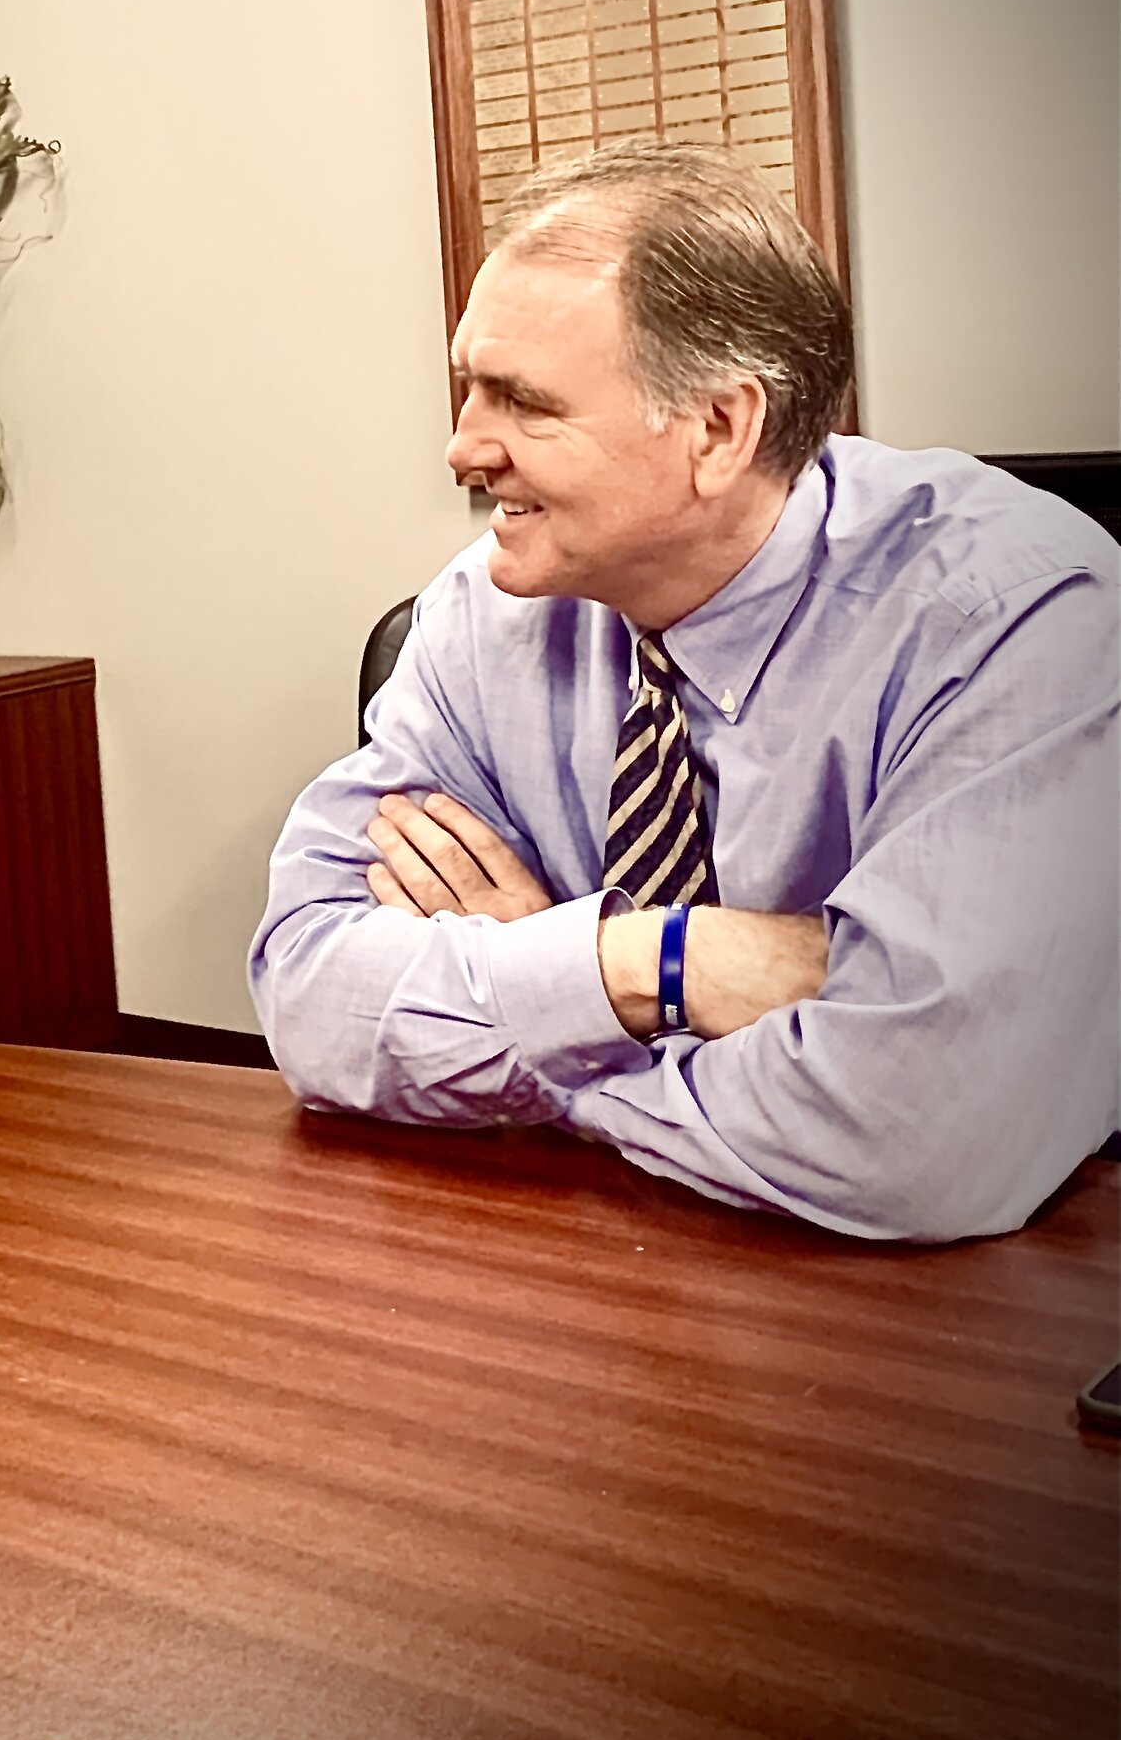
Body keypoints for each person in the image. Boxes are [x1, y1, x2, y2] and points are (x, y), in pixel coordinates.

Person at [250, 141, 1119, 1242]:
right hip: (593, 1267)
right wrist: (656, 961)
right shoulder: (484, 612)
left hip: (960, 1316)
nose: (461, 446)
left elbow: (914, 1136)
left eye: (519, 400)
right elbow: (310, 1000)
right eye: (468, 385)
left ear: (717, 427)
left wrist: (550, 1027)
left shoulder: (1012, 609)